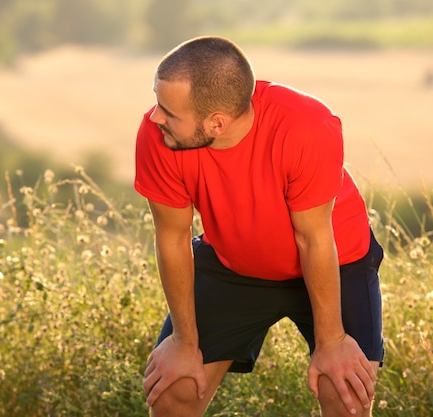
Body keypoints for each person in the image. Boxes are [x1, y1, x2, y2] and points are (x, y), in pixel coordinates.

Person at [134, 36, 385, 417]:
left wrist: (332, 340)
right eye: (158, 101)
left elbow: (314, 238)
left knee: (344, 393)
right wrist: (184, 341)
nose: (155, 117)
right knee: (174, 391)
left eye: (168, 110)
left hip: (333, 259)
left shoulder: (306, 125)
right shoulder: (160, 136)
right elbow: (172, 237)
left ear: (216, 122)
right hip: (235, 265)